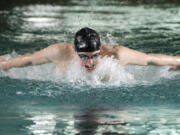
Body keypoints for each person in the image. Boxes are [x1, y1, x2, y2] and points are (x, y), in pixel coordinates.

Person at [0, 27, 180, 75]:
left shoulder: (116, 54)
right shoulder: (60, 52)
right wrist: (6, 65)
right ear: (75, 52)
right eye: (84, 57)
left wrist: (177, 62)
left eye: (95, 56)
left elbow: (149, 59)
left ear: (101, 51)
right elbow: (30, 60)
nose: (90, 62)